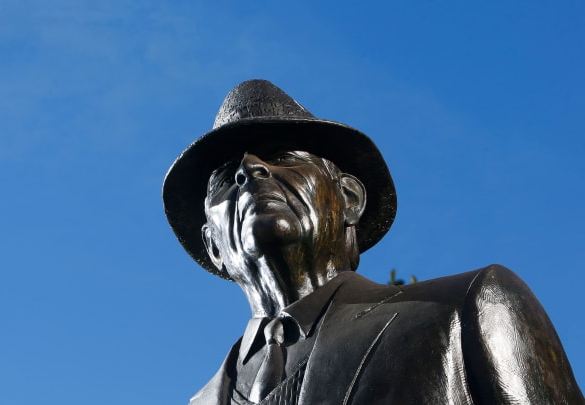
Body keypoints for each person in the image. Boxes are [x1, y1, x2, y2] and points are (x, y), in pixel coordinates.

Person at [163, 80, 583, 405]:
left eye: (283, 156)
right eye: (224, 178)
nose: (251, 169)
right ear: (213, 246)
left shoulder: (466, 309)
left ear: (348, 199)